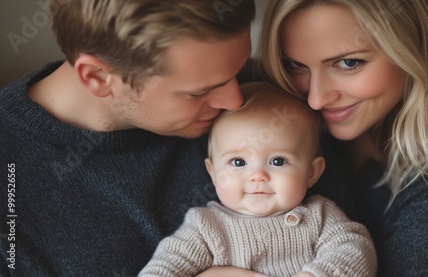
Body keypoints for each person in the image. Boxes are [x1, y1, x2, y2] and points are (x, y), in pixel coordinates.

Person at [0, 0, 256, 276]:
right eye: (199, 92)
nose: (236, 100)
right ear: (98, 77)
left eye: (236, 71)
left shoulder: (261, 93)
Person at [258, 0, 428, 276]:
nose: (315, 99)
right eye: (294, 64)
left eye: (349, 63)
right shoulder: (250, 107)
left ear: (420, 47)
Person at [138, 82, 377, 277]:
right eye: (239, 162)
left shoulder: (320, 216)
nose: (258, 176)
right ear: (213, 172)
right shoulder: (207, 227)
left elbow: (356, 250)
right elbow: (165, 266)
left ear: (312, 173)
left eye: (278, 161)